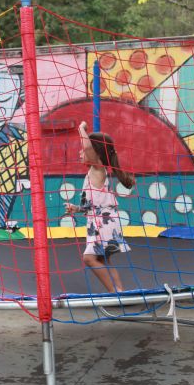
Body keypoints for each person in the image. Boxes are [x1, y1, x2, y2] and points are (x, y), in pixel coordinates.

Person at [64, 121, 136, 293]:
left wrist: (81, 128)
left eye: (83, 150)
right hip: (103, 221)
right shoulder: (95, 171)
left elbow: (88, 147)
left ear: (95, 154)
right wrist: (77, 208)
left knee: (89, 258)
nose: (80, 152)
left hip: (103, 223)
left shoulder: (98, 169)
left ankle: (114, 293)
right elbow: (94, 202)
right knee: (103, 260)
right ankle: (120, 291)